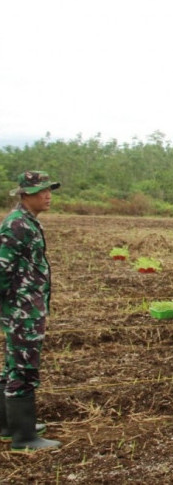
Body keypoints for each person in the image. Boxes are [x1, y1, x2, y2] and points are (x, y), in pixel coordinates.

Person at [0, 171, 61, 451]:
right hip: (21, 310)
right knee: (23, 368)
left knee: (14, 365)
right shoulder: (17, 225)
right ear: (25, 194)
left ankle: (9, 425)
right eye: (41, 191)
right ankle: (24, 437)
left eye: (49, 190)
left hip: (24, 307)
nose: (47, 195)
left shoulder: (27, 222)